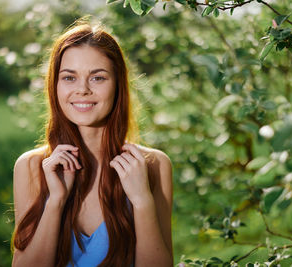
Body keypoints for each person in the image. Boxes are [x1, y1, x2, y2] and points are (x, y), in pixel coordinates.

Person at [11, 21, 173, 267]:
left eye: (97, 78)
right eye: (69, 77)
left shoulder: (154, 165)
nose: (82, 90)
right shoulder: (32, 167)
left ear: (118, 84)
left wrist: (141, 201)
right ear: (55, 86)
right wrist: (55, 201)